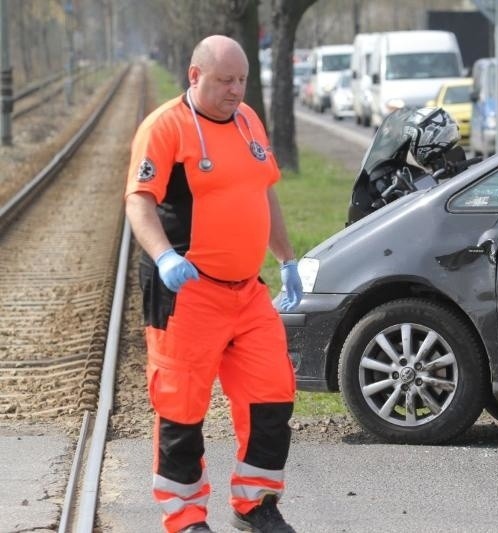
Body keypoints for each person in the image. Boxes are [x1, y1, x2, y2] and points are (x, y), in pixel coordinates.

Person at [124, 34, 302, 533]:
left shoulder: (248, 122)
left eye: (242, 79)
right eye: (225, 80)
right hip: (186, 293)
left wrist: (287, 259)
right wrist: (162, 256)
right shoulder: (165, 127)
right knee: (181, 408)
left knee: (272, 397)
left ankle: (256, 505)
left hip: (247, 292)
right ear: (195, 75)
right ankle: (184, 517)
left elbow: (264, 194)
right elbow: (139, 200)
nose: (236, 90)